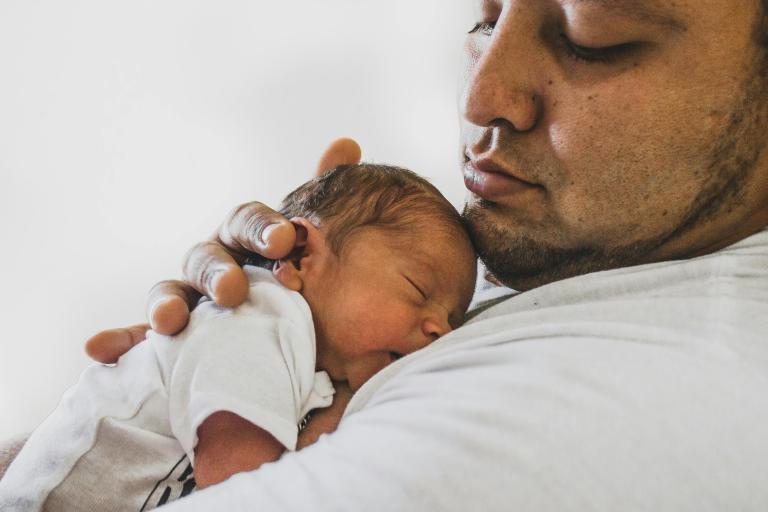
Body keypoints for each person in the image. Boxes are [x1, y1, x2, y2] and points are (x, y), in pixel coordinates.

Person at [4, 0, 768, 509]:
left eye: (591, 37)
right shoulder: (612, 264)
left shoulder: (600, 413)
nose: (480, 98)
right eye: (483, 15)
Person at [0, 164, 476, 511]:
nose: (439, 328)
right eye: (418, 289)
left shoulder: (310, 356)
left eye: (451, 318)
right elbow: (243, 489)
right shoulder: (260, 320)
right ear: (299, 258)